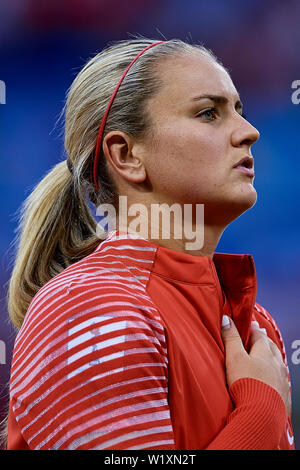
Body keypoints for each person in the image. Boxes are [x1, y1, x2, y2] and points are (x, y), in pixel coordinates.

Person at [6, 38, 294, 450]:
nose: (249, 132)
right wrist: (261, 411)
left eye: (239, 111)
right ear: (126, 156)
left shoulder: (256, 326)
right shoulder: (88, 304)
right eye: (208, 113)